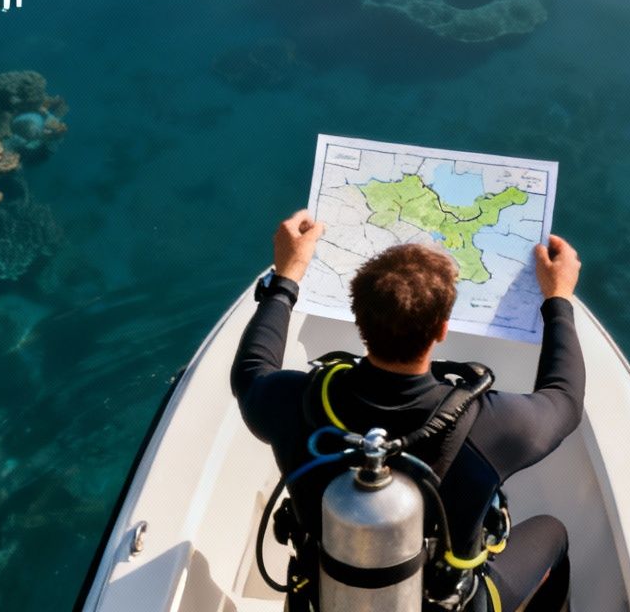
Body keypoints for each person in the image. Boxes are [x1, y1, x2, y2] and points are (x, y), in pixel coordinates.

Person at [232, 210, 584, 612]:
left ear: (359, 319)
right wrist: (558, 299)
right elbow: (565, 399)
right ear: (442, 328)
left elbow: (251, 369)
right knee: (552, 534)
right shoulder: (489, 424)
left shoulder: (295, 402)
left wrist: (287, 276)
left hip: (321, 602)